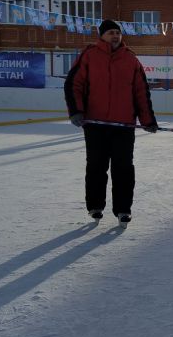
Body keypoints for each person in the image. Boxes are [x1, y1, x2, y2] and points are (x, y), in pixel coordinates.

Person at [64, 19, 158, 225]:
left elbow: (141, 92)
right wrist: (76, 111)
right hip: (95, 125)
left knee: (123, 168)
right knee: (96, 166)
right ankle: (95, 206)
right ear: (102, 36)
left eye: (118, 32)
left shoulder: (131, 60)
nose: (115, 36)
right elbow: (73, 85)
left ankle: (123, 209)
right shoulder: (89, 55)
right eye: (110, 33)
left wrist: (148, 120)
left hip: (123, 126)